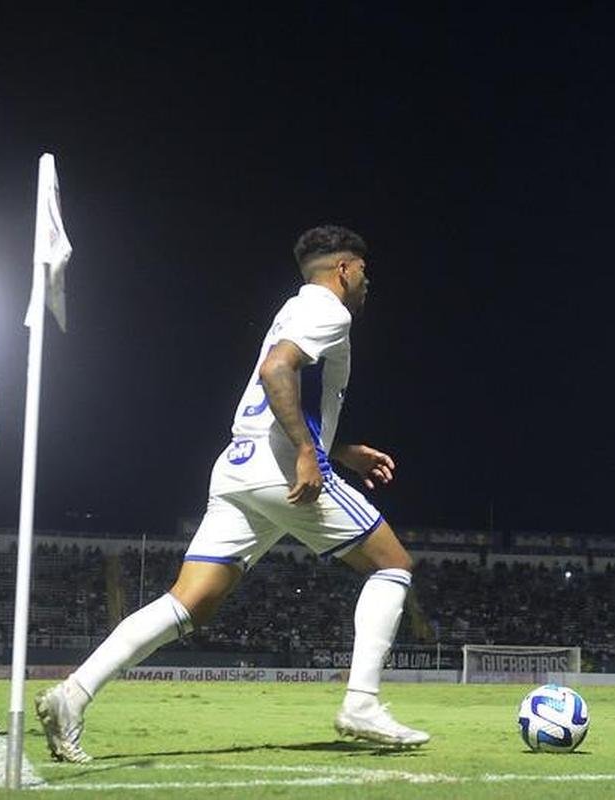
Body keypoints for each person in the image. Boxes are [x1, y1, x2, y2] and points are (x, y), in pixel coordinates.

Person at [35, 225, 428, 763]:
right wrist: (308, 452)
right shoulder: (329, 312)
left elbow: (281, 389)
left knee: (188, 602)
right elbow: (276, 370)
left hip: (239, 466)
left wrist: (337, 449)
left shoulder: (292, 309)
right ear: (343, 269)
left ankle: (72, 695)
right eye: (363, 270)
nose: (367, 280)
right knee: (392, 566)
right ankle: (361, 703)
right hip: (279, 469)